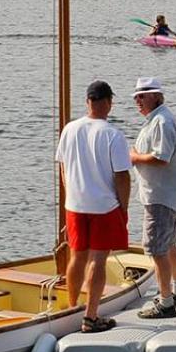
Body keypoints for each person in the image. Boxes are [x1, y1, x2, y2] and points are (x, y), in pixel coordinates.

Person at [56, 80, 132, 334]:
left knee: (77, 255)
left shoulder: (69, 129)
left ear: (87, 101)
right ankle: (90, 317)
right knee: (98, 259)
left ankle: (72, 305)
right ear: (108, 103)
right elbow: (122, 176)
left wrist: (71, 195)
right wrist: (124, 207)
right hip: (104, 204)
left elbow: (63, 168)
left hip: (75, 203)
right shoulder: (113, 134)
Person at [128, 77, 176, 317]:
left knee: (156, 249)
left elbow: (161, 158)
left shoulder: (162, 122)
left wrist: (134, 157)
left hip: (161, 196)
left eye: (142, 96)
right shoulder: (158, 120)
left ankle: (166, 303)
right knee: (168, 245)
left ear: (156, 96)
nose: (137, 101)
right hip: (165, 194)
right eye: (136, 97)